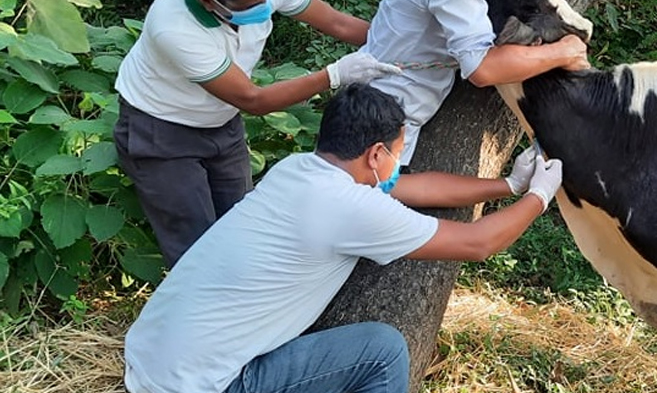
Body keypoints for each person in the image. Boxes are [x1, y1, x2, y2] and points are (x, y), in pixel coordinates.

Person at [122, 83, 563, 393]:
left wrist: (510, 186)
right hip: (202, 386)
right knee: (383, 350)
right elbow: (477, 243)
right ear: (376, 154)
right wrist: (542, 197)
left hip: (148, 359)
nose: (397, 165)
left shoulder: (297, 170)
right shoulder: (353, 209)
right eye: (397, 152)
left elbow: (419, 187)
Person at [113, 0, 401, 268]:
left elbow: (336, 23)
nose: (266, 4)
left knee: (242, 224)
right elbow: (253, 100)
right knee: (195, 248)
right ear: (209, 0)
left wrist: (396, 45)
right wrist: (334, 75)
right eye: (252, 3)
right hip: (162, 131)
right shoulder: (174, 28)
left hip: (221, 123)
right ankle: (205, 315)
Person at [362, 0, 590, 167]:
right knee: (369, 200)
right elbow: (481, 68)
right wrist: (563, 52)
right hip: (389, 116)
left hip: (376, 89)